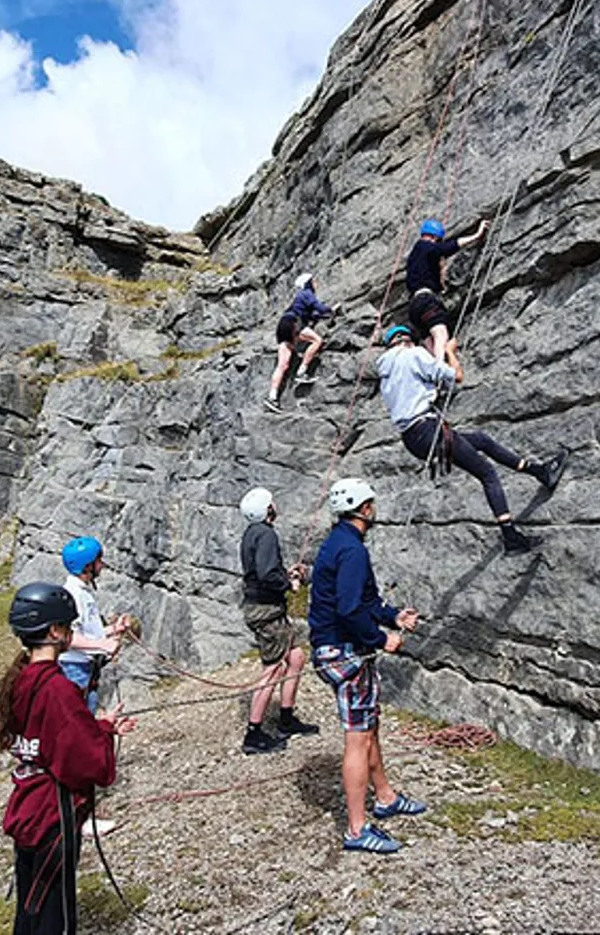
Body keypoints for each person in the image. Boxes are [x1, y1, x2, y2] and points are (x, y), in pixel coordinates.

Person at [0, 581, 137, 935]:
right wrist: (101, 736)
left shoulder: (21, 678)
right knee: (54, 917)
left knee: (31, 906)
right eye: (68, 626)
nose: (71, 632)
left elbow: (51, 735)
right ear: (55, 631)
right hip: (53, 813)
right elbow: (87, 762)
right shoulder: (58, 688)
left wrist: (101, 726)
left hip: (28, 805)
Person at [308, 478, 425, 854]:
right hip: (344, 652)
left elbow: (366, 600)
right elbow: (349, 609)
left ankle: (385, 797)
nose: (374, 509)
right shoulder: (352, 550)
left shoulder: (339, 543)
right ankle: (356, 830)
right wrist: (381, 639)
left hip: (337, 647)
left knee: (369, 726)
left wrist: (394, 617)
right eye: (371, 503)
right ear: (364, 508)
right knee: (358, 737)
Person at [375, 324, 566, 554]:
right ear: (408, 340)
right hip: (428, 429)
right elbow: (457, 376)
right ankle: (511, 537)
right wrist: (450, 353)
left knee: (481, 441)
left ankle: (540, 472)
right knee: (487, 474)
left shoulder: (385, 374)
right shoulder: (413, 354)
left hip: (413, 439)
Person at [237, 487, 322, 755]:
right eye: (271, 503)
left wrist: (284, 574)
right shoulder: (266, 534)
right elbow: (266, 574)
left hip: (264, 608)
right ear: (268, 510)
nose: (275, 505)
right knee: (272, 669)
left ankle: (286, 719)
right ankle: (253, 734)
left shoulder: (252, 533)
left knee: (296, 658)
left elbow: (261, 571)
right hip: (266, 611)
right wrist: (289, 583)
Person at [59, 535, 134, 836]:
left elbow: (86, 632)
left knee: (84, 733)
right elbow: (68, 638)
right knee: (80, 738)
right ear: (88, 565)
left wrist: (112, 630)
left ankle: (81, 808)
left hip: (84, 669)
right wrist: (103, 645)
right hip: (75, 670)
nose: (102, 564)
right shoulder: (73, 595)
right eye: (98, 560)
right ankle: (79, 815)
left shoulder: (81, 592)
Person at [404, 217, 489, 371]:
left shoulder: (415, 257)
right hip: (425, 300)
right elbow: (448, 248)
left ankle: (433, 373)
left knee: (430, 344)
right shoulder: (425, 246)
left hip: (414, 307)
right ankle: (440, 371)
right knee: (440, 334)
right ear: (435, 237)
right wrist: (476, 236)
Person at [264, 272, 337, 413]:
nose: (316, 284)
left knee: (283, 365)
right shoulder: (306, 293)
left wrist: (323, 314)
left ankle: (272, 397)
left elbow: (315, 315)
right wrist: (331, 310)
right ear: (308, 283)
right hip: (293, 323)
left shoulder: (299, 299)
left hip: (282, 325)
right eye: (313, 281)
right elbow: (319, 308)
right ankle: (302, 371)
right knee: (317, 340)